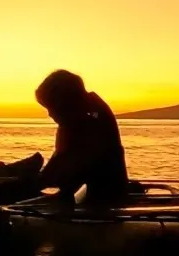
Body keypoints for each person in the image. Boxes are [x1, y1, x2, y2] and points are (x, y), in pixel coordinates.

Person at [35, 69, 130, 204]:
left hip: (102, 204)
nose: (49, 114)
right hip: (91, 195)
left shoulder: (90, 121)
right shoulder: (88, 112)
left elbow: (69, 169)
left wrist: (35, 182)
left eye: (51, 108)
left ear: (65, 104)